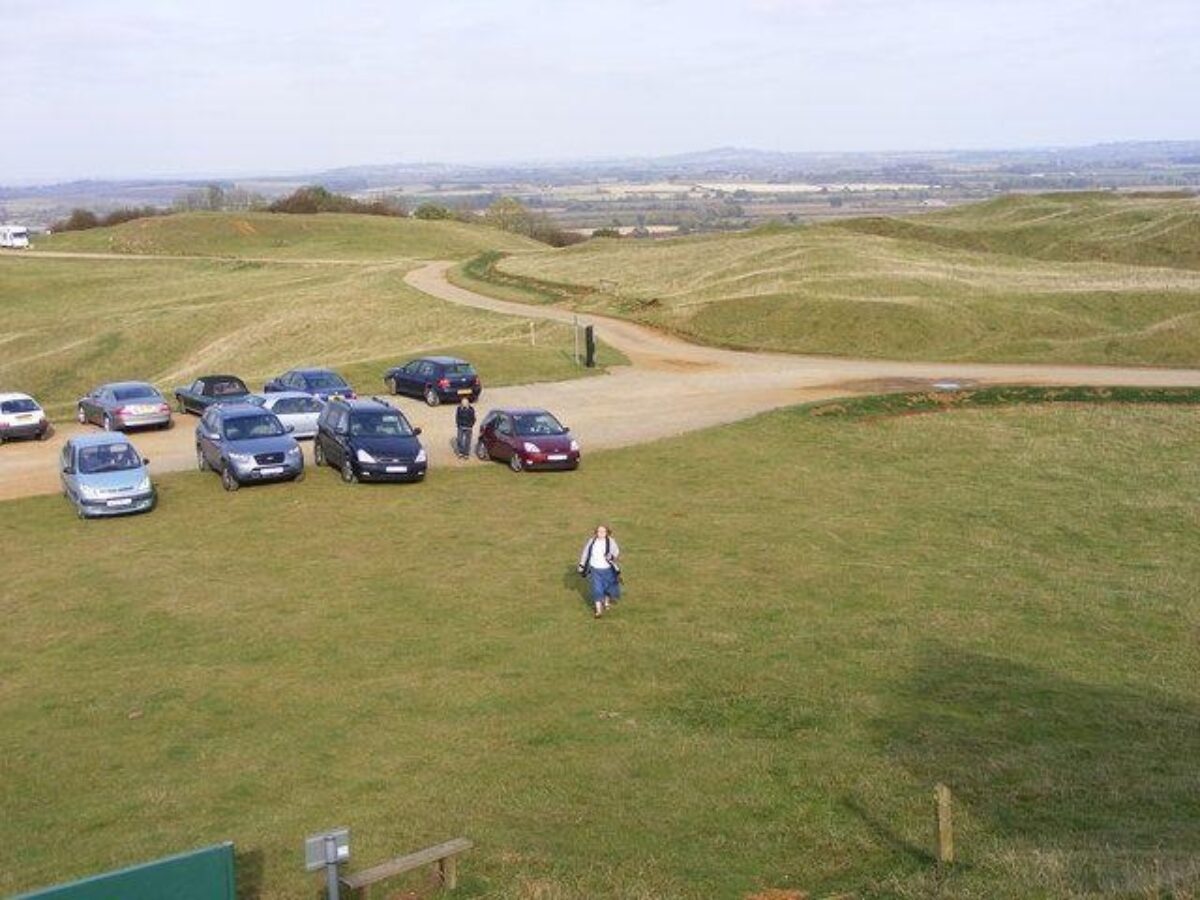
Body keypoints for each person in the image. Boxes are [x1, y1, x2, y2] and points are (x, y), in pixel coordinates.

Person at [578, 524, 621, 618]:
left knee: (607, 588)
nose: (601, 533)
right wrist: (581, 565)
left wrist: (611, 556)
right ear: (596, 532)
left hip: (608, 569)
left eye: (603, 531)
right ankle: (598, 611)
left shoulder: (611, 541)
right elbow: (585, 553)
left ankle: (606, 602)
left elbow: (616, 551)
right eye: (599, 531)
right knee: (597, 589)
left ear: (607, 532)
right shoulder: (592, 541)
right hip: (595, 569)